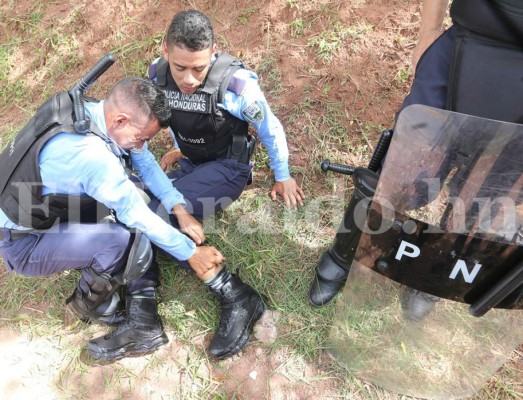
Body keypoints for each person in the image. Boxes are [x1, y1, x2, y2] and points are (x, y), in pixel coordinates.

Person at [0, 76, 265, 361]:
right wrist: (191, 252)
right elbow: (135, 215)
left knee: (138, 200)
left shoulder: (84, 110)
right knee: (119, 238)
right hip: (23, 243)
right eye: (141, 137)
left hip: (45, 207)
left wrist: (178, 207)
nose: (142, 144)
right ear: (121, 120)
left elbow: (144, 162)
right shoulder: (91, 156)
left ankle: (221, 298)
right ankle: (103, 308)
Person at [309, 0, 523, 309]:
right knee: (404, 165)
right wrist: (429, 30)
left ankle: (434, 275)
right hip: (469, 40)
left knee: (484, 190)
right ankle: (347, 252)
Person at [148, 9, 305, 218]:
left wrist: (283, 176)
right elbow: (179, 114)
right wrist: (179, 147)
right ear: (166, 51)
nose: (189, 79)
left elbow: (269, 128)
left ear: (213, 51)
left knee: (165, 209)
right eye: (180, 67)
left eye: (198, 68)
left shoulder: (236, 86)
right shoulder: (158, 76)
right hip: (191, 163)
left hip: (228, 168)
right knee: (142, 195)